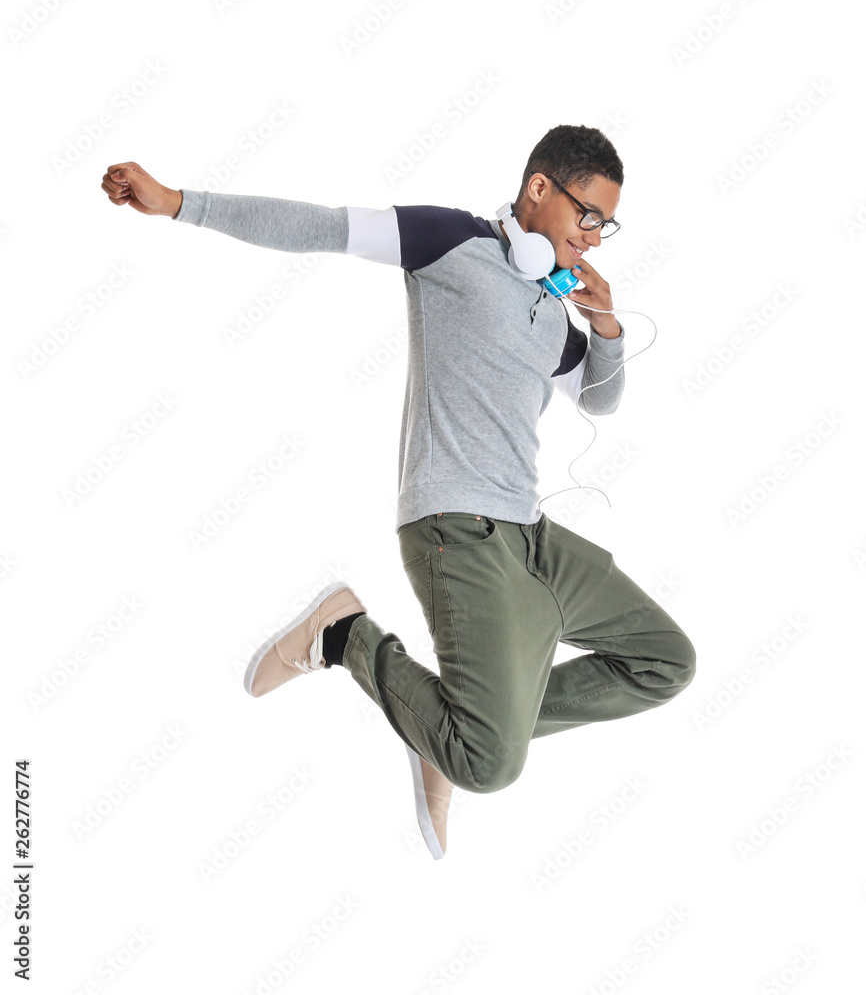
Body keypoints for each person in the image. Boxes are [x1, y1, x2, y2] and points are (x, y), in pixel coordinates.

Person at [101, 125, 696, 861]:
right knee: (490, 764)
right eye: (589, 216)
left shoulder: (552, 304)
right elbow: (317, 227)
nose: (598, 237)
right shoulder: (448, 243)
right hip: (456, 528)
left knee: (665, 661)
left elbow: (600, 400)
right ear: (540, 188)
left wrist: (603, 323)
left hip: (531, 536)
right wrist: (179, 204)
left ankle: (440, 727)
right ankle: (344, 636)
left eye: (607, 223)